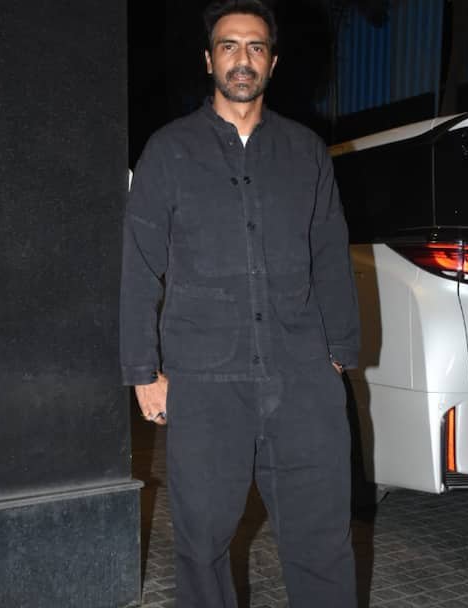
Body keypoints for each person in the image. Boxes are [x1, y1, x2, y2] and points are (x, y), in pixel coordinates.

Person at [119, 1, 359, 605]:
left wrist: (338, 352)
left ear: (272, 62)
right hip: (204, 380)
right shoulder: (168, 150)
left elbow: (330, 254)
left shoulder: (305, 152)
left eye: (255, 46)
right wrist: (143, 373)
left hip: (302, 376)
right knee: (201, 544)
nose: (242, 58)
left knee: (323, 541)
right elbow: (139, 264)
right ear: (209, 60)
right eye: (229, 45)